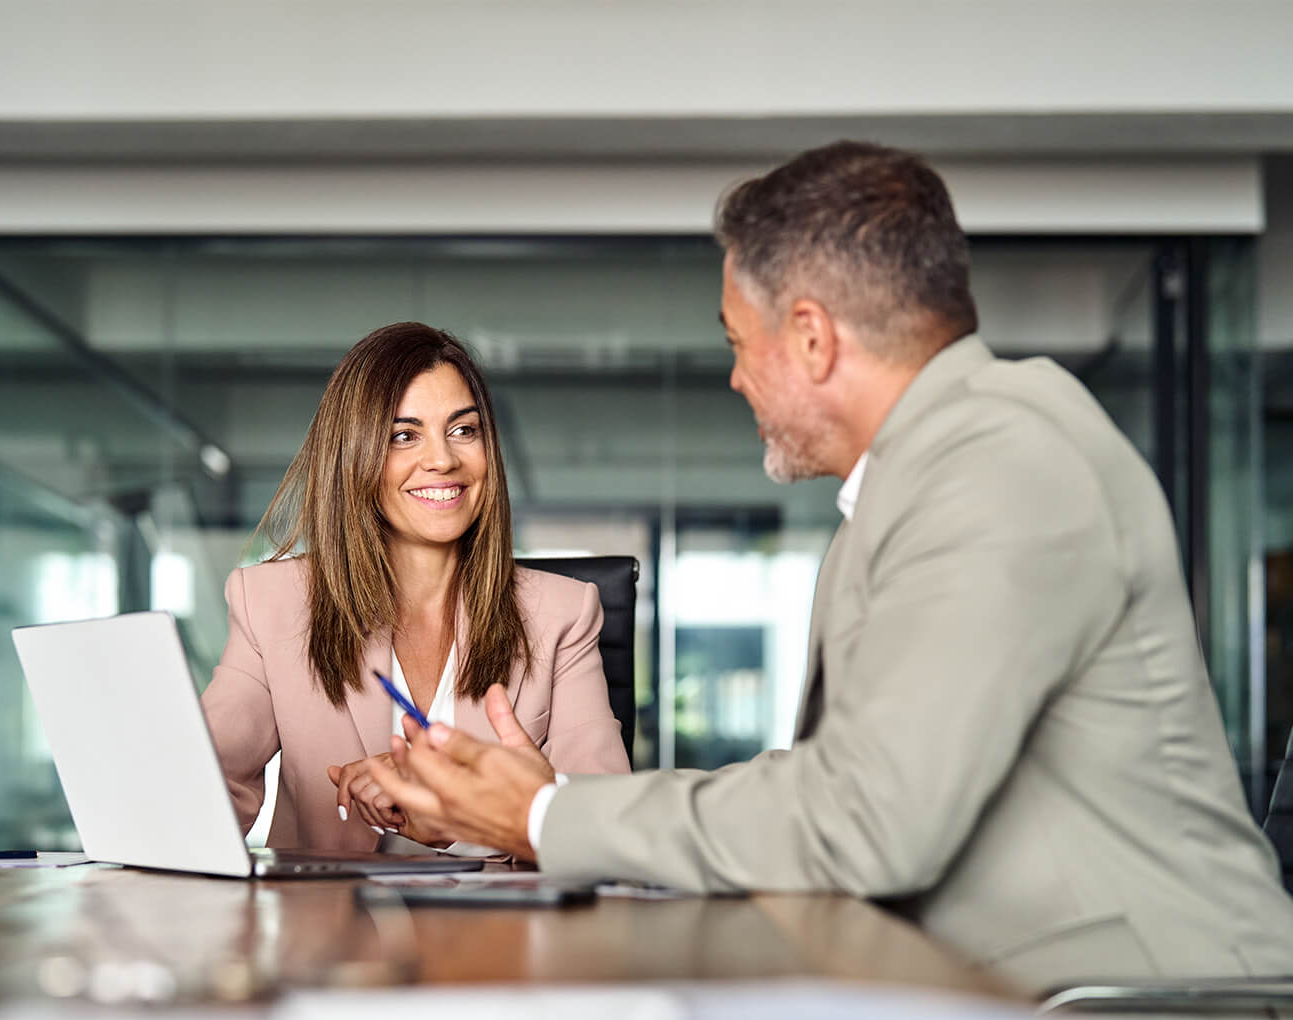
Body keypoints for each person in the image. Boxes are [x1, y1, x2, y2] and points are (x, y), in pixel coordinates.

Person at [365, 143, 1293, 989]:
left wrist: (543, 818)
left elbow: (865, 820)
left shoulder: (1002, 464)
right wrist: (558, 798)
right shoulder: (914, 487)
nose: (735, 379)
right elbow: (831, 785)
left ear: (811, 338)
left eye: (739, 343)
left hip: (1155, 999)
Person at [202, 322, 629, 853]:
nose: (443, 460)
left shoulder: (563, 613)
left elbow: (608, 825)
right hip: (327, 933)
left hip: (506, 934)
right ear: (354, 457)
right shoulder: (272, 603)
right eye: (404, 435)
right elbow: (201, 794)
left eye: (463, 430)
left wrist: (457, 811)